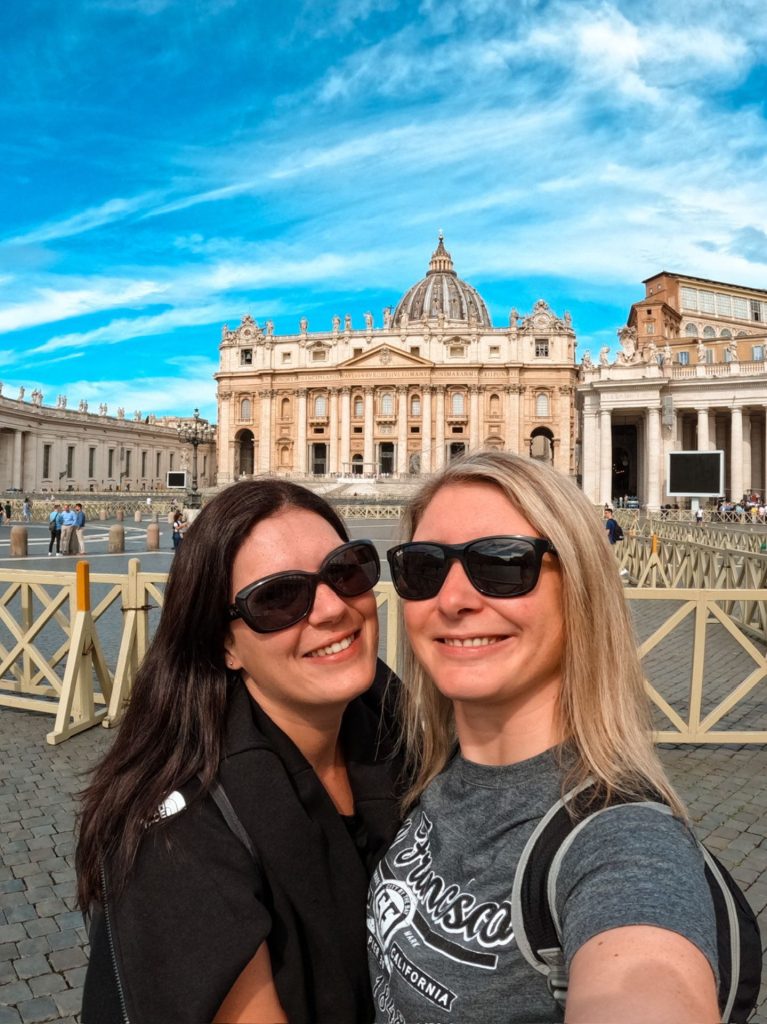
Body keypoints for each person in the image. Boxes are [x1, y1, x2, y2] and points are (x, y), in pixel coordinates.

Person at [368, 450, 718, 1023]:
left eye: (503, 564)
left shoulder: (620, 842)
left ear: (580, 587)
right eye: (423, 568)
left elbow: (645, 975)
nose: (453, 600)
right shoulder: (421, 770)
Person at [77, 480, 402, 1024]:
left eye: (346, 570)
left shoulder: (402, 727)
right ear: (224, 644)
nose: (330, 609)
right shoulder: (181, 841)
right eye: (278, 598)